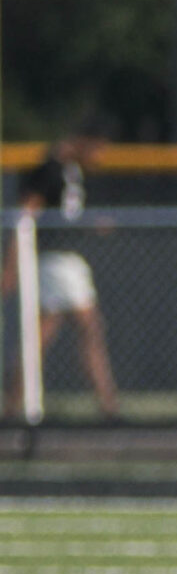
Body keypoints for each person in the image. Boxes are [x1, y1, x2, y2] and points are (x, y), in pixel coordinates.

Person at [3, 142, 119, 421]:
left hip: (66, 260)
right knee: (87, 327)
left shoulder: (71, 172)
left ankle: (13, 403)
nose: (100, 155)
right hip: (57, 261)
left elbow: (65, 214)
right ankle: (108, 406)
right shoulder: (50, 170)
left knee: (47, 334)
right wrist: (11, 265)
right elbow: (26, 214)